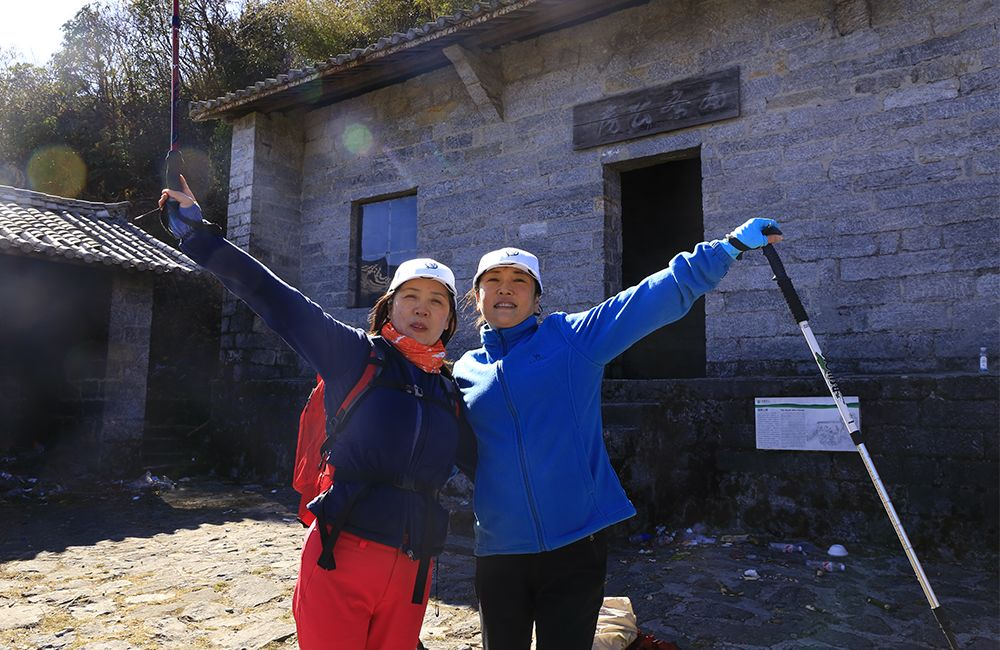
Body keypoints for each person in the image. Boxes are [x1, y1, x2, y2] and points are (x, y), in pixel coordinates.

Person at [158, 177, 474, 650]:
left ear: (449, 320)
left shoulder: (448, 390)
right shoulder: (356, 356)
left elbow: (492, 461)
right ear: (389, 306)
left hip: (414, 569)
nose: (422, 309)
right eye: (411, 296)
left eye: (437, 301)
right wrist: (198, 235)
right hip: (341, 554)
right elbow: (276, 300)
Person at [453, 219, 783, 650]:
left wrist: (728, 247)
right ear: (477, 296)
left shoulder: (571, 339)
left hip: (575, 543)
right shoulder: (463, 370)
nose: (506, 289)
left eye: (519, 281)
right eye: (493, 280)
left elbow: (648, 299)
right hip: (499, 549)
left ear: (536, 298)